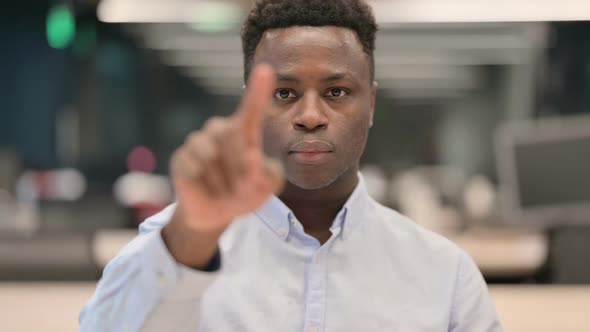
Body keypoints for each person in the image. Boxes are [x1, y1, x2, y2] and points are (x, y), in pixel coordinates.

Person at [80, 0, 502, 331]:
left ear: (370, 104)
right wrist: (189, 244)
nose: (311, 115)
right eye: (284, 93)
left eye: (336, 92)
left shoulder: (444, 274)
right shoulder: (176, 243)